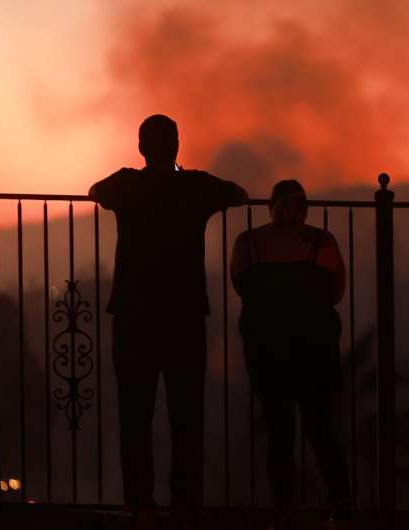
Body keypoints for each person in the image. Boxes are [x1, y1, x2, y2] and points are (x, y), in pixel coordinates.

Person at [89, 114, 248, 530]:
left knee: (135, 414)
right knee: (186, 415)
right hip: (184, 315)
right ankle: (186, 505)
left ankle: (140, 504)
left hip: (134, 316)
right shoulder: (196, 186)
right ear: (177, 145)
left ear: (142, 147)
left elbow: (96, 191)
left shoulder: (127, 185)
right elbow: (238, 193)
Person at [230, 180, 352, 530]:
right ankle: (341, 504)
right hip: (315, 349)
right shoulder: (321, 243)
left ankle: (284, 509)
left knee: (279, 431)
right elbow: (336, 293)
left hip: (267, 349)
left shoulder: (248, 244)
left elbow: (240, 286)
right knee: (322, 428)